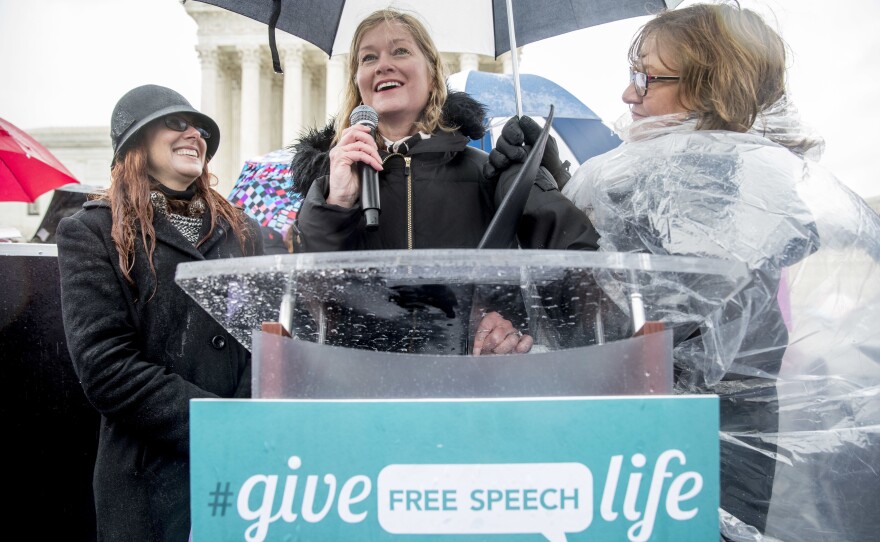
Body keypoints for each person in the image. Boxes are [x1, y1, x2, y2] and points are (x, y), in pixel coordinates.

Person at [497, 3, 879, 540]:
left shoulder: (723, 184)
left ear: (708, 86)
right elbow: (629, 258)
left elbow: (637, 329)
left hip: (694, 456)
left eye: (646, 77)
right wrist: (551, 176)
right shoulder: (709, 174)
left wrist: (544, 206)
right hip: (682, 444)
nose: (629, 94)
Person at [289, 8, 599, 356]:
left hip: (472, 382)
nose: (382, 65)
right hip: (366, 385)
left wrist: (541, 178)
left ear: (434, 74)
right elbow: (312, 299)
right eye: (368, 57)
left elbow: (574, 279)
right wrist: (336, 203)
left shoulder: (487, 173)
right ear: (359, 85)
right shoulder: (336, 187)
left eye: (400, 51)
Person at [56, 84, 264, 541]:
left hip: (244, 475)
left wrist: (246, 426)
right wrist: (216, 425)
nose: (195, 133)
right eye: (176, 122)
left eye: (202, 129)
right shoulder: (91, 232)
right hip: (149, 486)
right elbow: (106, 367)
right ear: (135, 142)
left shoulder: (245, 231)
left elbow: (267, 339)